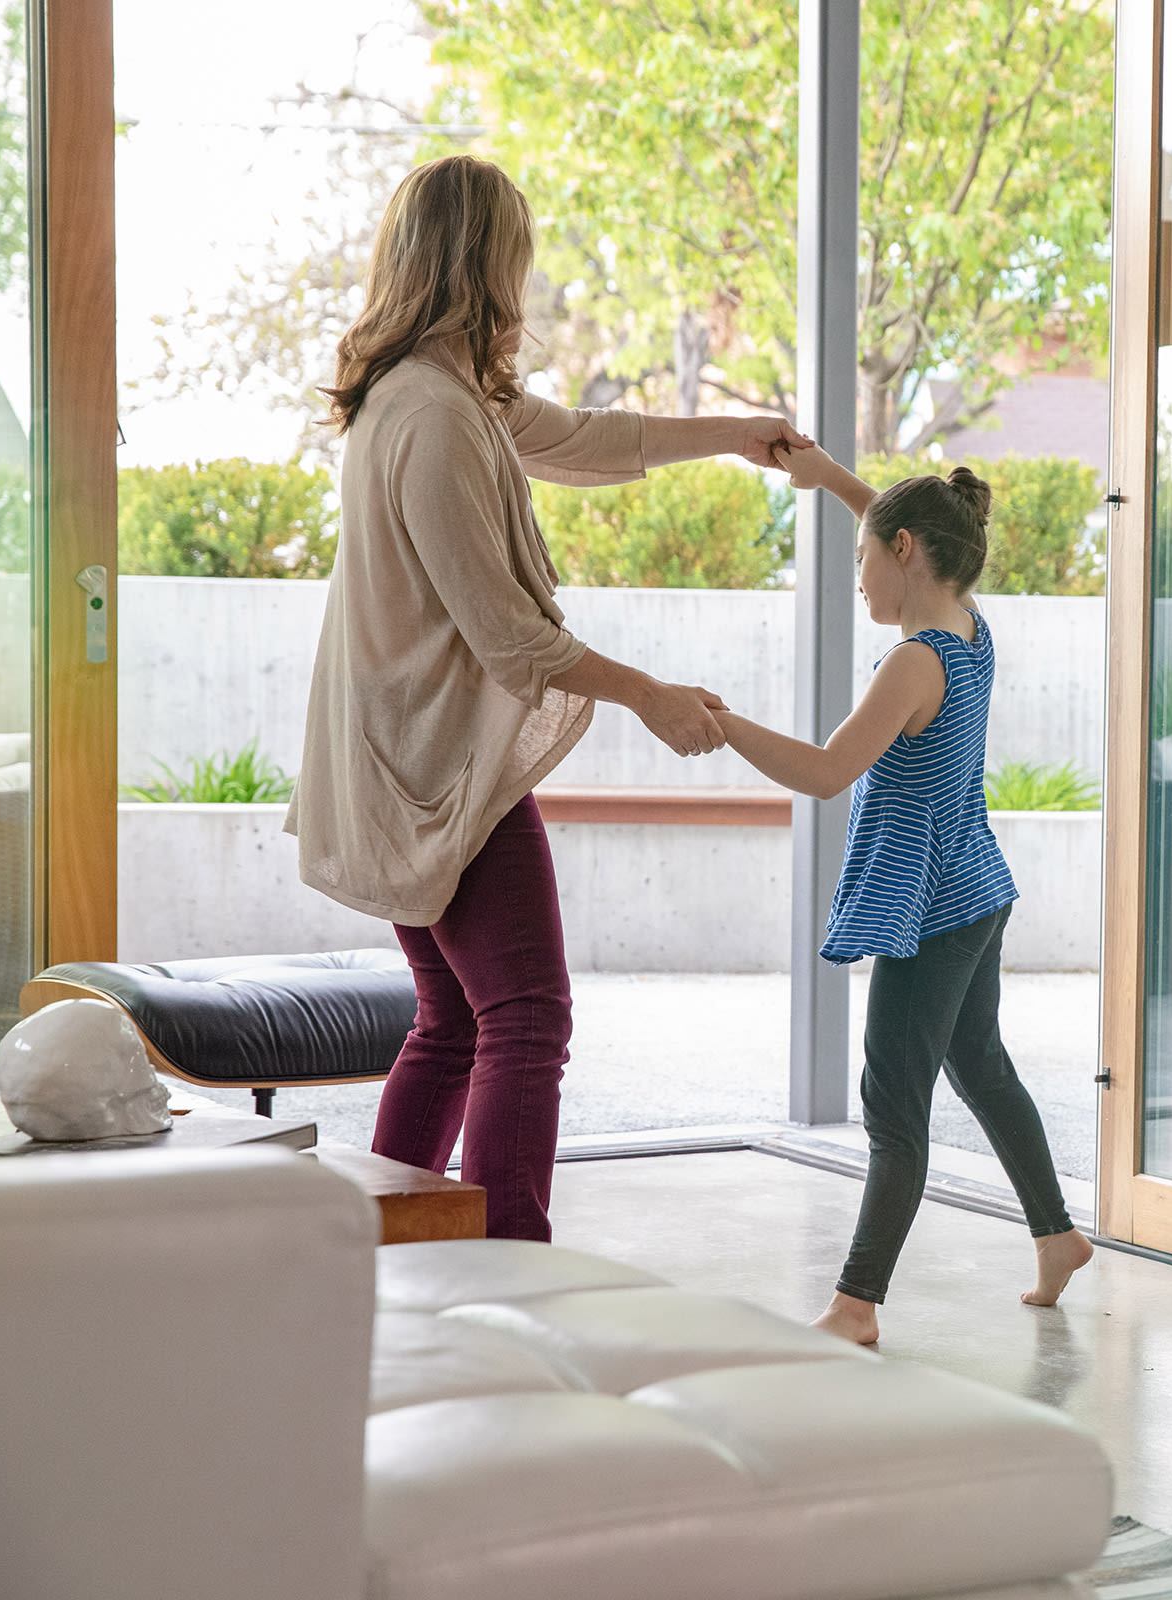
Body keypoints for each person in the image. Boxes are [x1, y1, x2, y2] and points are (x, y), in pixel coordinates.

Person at [287, 154, 808, 1241]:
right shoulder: (433, 416)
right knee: (526, 1017)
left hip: (412, 758)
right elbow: (508, 634)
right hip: (439, 768)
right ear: (483, 262)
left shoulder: (439, 394)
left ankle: (381, 1253)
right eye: (517, 253)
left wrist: (734, 434)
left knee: (451, 1024)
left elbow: (578, 436)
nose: (525, 277)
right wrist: (649, 695)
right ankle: (505, 1264)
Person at [714, 442, 1092, 1345]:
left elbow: (824, 771)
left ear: (906, 550)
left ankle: (855, 1306)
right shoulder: (970, 626)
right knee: (981, 1066)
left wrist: (722, 723)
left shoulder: (915, 663)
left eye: (862, 559)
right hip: (978, 887)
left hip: (932, 913)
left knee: (892, 1109)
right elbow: (890, 516)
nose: (857, 578)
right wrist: (832, 479)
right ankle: (1059, 1236)